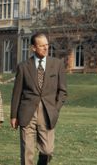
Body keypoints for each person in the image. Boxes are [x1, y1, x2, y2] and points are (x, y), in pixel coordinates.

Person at [11, 33, 67, 165]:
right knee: (27, 152)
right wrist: (13, 115)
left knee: (47, 151)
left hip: (48, 113)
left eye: (47, 45)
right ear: (33, 48)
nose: (46, 48)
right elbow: (17, 92)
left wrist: (55, 109)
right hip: (26, 113)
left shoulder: (57, 64)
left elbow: (63, 91)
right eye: (42, 46)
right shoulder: (23, 66)